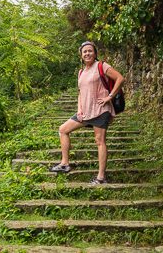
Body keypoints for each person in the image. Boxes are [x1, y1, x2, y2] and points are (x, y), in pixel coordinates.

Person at [50, 41, 125, 184]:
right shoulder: (81, 72)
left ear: (95, 53)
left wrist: (109, 97)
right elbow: (80, 93)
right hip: (85, 111)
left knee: (99, 141)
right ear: (81, 55)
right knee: (63, 130)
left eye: (90, 51)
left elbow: (120, 78)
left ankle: (101, 177)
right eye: (84, 52)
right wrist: (79, 109)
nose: (87, 53)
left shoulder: (102, 66)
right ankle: (65, 164)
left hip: (100, 110)